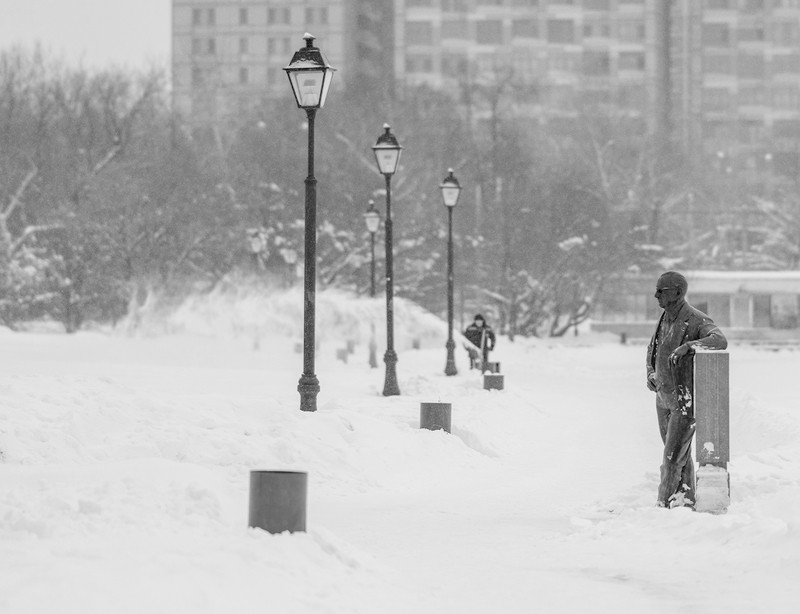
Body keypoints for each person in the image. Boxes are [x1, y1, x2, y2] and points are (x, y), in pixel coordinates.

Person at [646, 271, 727, 509]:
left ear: (678, 293)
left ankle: (663, 505)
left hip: (684, 401)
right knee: (679, 456)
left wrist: (690, 346)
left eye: (662, 291)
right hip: (663, 397)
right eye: (657, 290)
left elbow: (719, 339)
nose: (656, 295)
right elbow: (652, 349)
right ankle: (684, 498)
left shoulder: (696, 319)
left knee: (671, 459)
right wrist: (651, 373)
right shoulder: (664, 318)